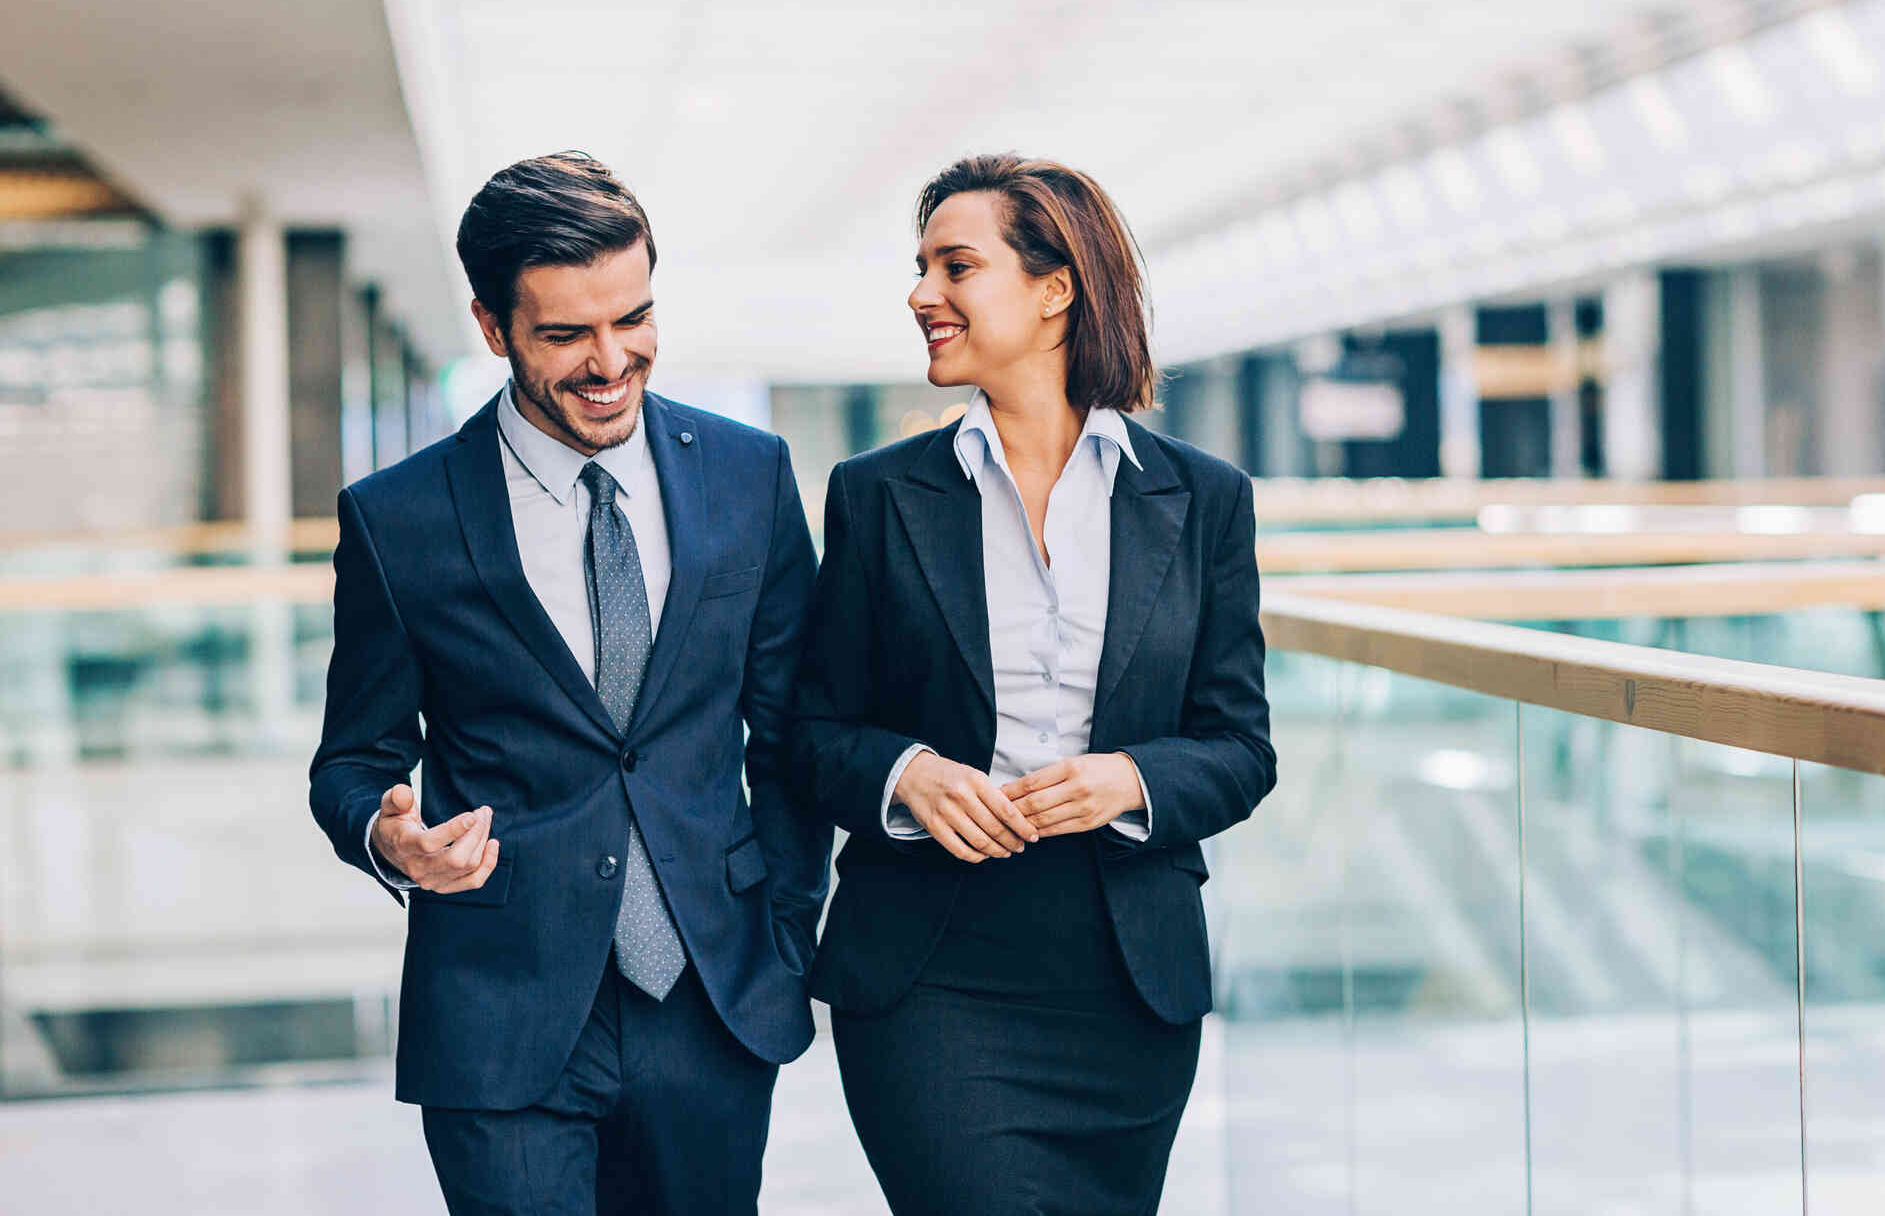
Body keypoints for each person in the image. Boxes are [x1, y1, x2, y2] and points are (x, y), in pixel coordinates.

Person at [307, 151, 828, 1216]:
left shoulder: (749, 475)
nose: (610, 361)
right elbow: (352, 759)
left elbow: (792, 733)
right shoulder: (396, 519)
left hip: (711, 997)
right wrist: (390, 838)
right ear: (493, 328)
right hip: (502, 1005)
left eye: (632, 319)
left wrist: (782, 931)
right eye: (565, 335)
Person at [791, 153, 1276, 1215]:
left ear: (1055, 288)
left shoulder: (1202, 501)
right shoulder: (877, 496)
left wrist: (1129, 780)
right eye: (920, 268)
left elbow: (1241, 749)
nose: (923, 294)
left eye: (955, 266)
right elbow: (808, 732)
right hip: (929, 977)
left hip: (1126, 989)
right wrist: (908, 774)